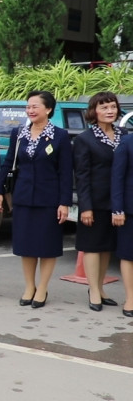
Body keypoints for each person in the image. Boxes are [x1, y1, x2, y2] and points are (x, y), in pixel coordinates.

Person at [0, 91, 72, 309]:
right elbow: (9, 162)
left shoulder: (60, 136)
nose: (30, 110)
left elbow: (66, 172)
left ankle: (42, 287)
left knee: (47, 246)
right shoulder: (18, 133)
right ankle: (29, 286)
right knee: (26, 245)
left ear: (48, 109)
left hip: (49, 199)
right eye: (28, 107)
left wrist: (64, 202)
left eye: (35, 106)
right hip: (23, 198)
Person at [73, 91, 127, 311]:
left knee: (107, 247)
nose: (109, 111)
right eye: (104, 107)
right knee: (92, 246)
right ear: (94, 111)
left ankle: (101, 288)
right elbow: (82, 175)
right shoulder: (84, 139)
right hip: (94, 201)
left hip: (118, 202)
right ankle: (93, 290)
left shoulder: (124, 134)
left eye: (112, 106)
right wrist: (85, 207)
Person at [111, 133, 133, 317]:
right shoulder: (127, 142)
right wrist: (117, 209)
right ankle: (130, 298)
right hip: (130, 209)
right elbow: (117, 178)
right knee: (128, 255)